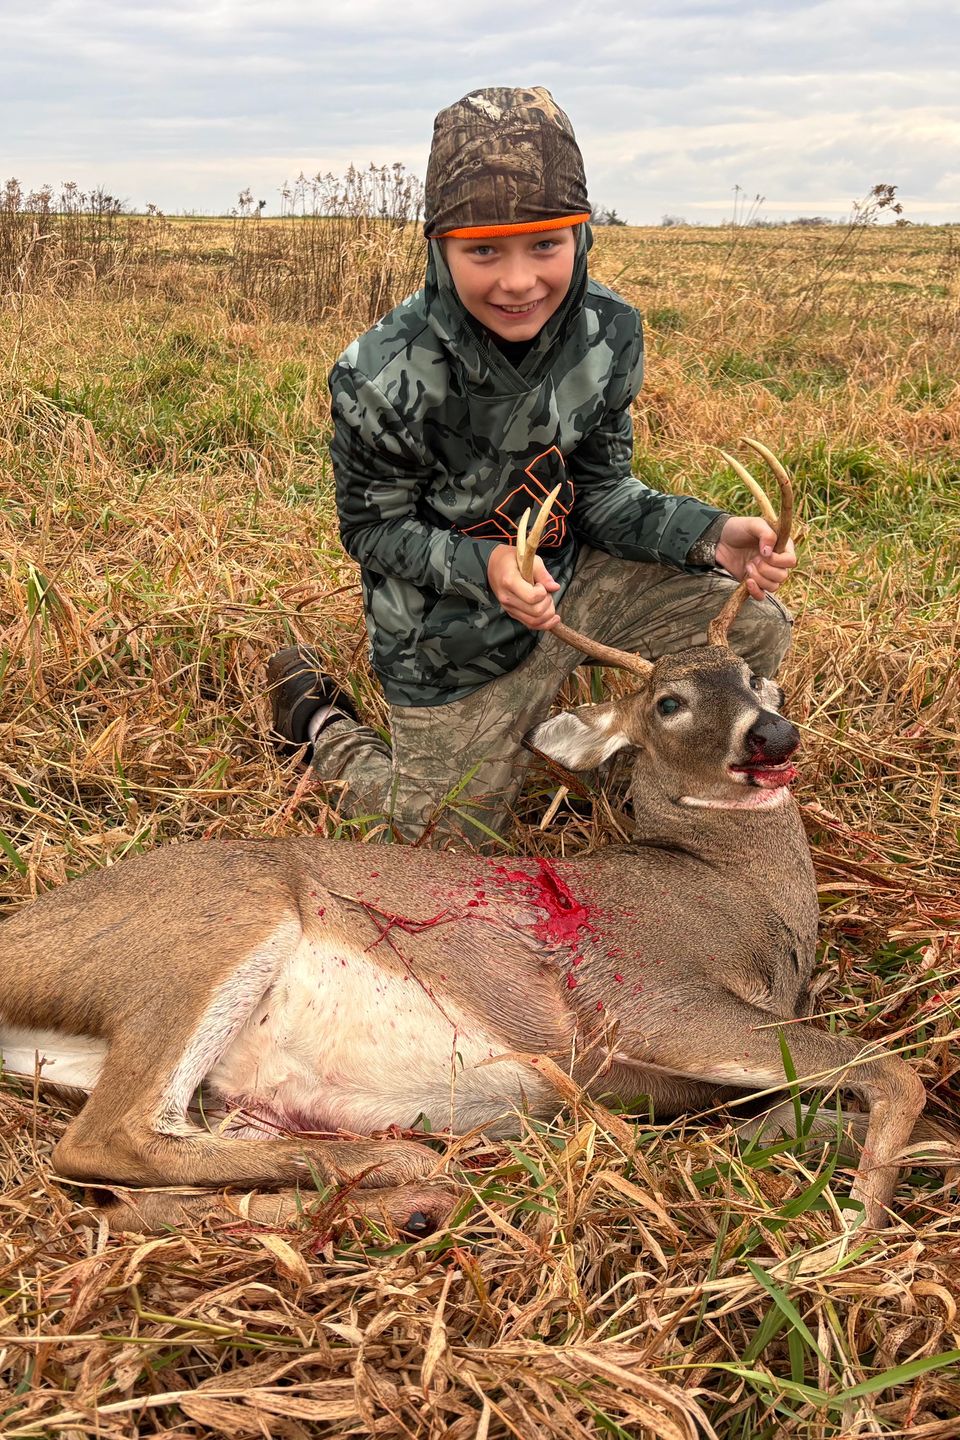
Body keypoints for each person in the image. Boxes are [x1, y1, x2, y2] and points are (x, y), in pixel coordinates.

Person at [268, 86, 795, 845]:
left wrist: (709, 537)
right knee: (436, 842)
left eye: (546, 244)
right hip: (452, 636)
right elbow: (374, 530)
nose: (519, 282)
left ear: (582, 236)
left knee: (755, 623)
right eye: (484, 250)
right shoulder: (381, 373)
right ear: (440, 248)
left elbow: (602, 494)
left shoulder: (608, 332)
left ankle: (645, 756)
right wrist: (484, 568)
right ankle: (322, 725)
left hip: (572, 585)